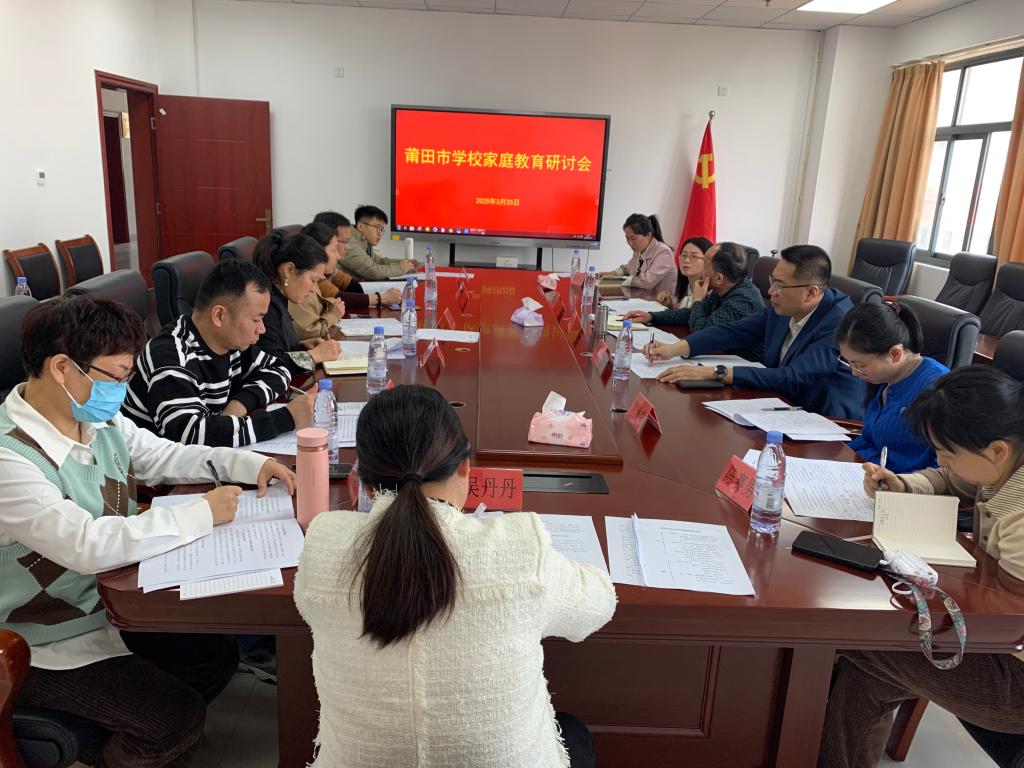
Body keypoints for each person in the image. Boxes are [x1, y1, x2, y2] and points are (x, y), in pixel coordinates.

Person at [2, 295, 296, 768]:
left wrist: (247, 464)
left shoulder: (93, 416)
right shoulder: (10, 459)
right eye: (116, 376)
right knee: (174, 721)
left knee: (213, 655)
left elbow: (161, 454)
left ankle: (133, 736)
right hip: (47, 640)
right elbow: (85, 544)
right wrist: (200, 513)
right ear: (61, 368)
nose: (122, 390)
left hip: (112, 603)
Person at [294, 385, 616, 768]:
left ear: (362, 483)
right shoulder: (521, 549)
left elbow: (310, 606)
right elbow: (598, 605)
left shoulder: (323, 545)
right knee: (573, 730)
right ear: (465, 467)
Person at [819, 366, 1024, 768]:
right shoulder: (1006, 460)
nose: (941, 460)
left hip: (1013, 670)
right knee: (868, 675)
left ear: (997, 450)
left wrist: (924, 572)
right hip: (996, 637)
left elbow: (1008, 615)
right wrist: (903, 484)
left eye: (947, 451)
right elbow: (954, 480)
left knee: (860, 639)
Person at [645, 245, 864, 418]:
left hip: (823, 422)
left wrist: (715, 372)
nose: (771, 291)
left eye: (780, 285)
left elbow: (792, 377)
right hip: (779, 404)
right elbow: (733, 331)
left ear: (811, 292)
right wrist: (675, 349)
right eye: (772, 280)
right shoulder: (785, 307)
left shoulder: (838, 323)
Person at [124, 259, 316, 447]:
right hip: (153, 463)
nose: (262, 329)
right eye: (256, 319)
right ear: (219, 315)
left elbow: (279, 368)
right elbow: (191, 435)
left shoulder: (232, 343)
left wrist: (240, 403)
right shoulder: (171, 354)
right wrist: (286, 418)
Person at [836, 302, 947, 473]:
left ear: (895, 354)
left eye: (861, 365)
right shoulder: (886, 378)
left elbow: (944, 468)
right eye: (849, 363)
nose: (855, 373)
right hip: (863, 471)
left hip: (900, 482)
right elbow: (869, 439)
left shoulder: (936, 389)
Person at [623, 242, 764, 360]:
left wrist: (697, 300)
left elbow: (701, 332)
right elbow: (691, 314)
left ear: (719, 278)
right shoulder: (725, 287)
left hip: (744, 366)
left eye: (705, 265)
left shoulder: (743, 300)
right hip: (722, 356)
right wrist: (652, 316)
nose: (701, 270)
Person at [252, 229, 342, 374]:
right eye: (313, 280)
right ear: (289, 270)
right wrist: (315, 355)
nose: (313, 289)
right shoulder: (266, 305)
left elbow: (278, 348)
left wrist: (299, 347)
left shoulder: (279, 297)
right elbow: (270, 364)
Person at [597, 213, 676, 295]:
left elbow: (647, 282)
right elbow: (629, 268)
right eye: (627, 238)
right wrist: (613, 273)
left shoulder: (664, 252)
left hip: (662, 301)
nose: (630, 243)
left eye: (633, 238)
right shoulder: (639, 250)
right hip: (643, 298)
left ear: (648, 235)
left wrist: (617, 280)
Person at [338, 204, 417, 280]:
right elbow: (372, 271)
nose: (380, 234)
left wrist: (407, 263)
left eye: (382, 229)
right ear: (361, 226)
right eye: (377, 228)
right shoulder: (348, 241)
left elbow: (378, 261)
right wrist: (400, 268)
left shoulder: (363, 241)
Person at [657, 236, 712, 309]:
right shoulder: (686, 286)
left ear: (708, 261)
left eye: (694, 256)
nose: (686, 260)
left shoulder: (712, 293)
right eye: (684, 255)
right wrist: (670, 306)